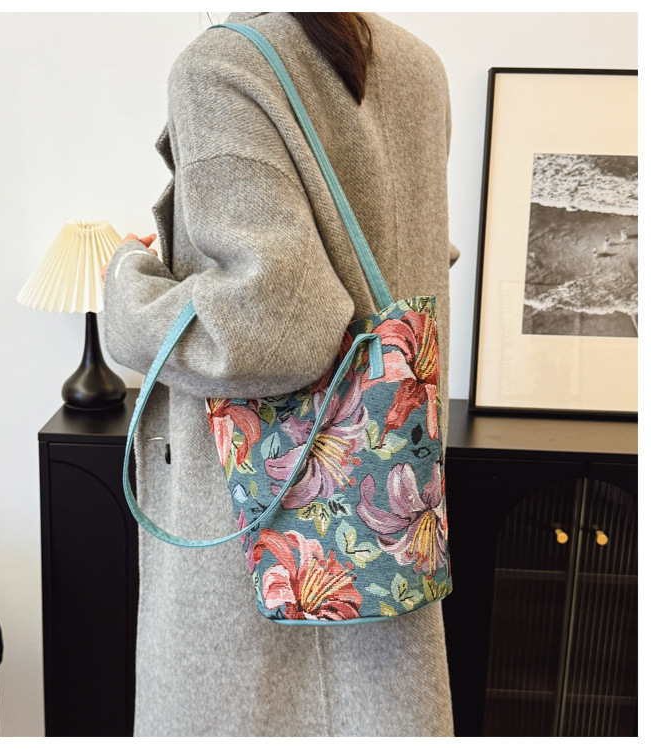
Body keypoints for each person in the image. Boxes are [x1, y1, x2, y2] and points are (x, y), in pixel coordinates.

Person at [103, 11, 459, 737]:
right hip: (382, 491)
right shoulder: (417, 64)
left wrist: (128, 282)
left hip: (253, 517)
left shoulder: (223, 66)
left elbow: (273, 324)